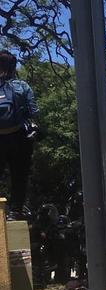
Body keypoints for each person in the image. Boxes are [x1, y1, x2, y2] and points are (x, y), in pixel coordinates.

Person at [0, 50, 39, 217]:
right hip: (19, 138)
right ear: (13, 66)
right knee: (19, 177)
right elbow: (34, 111)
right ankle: (16, 211)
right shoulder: (22, 86)